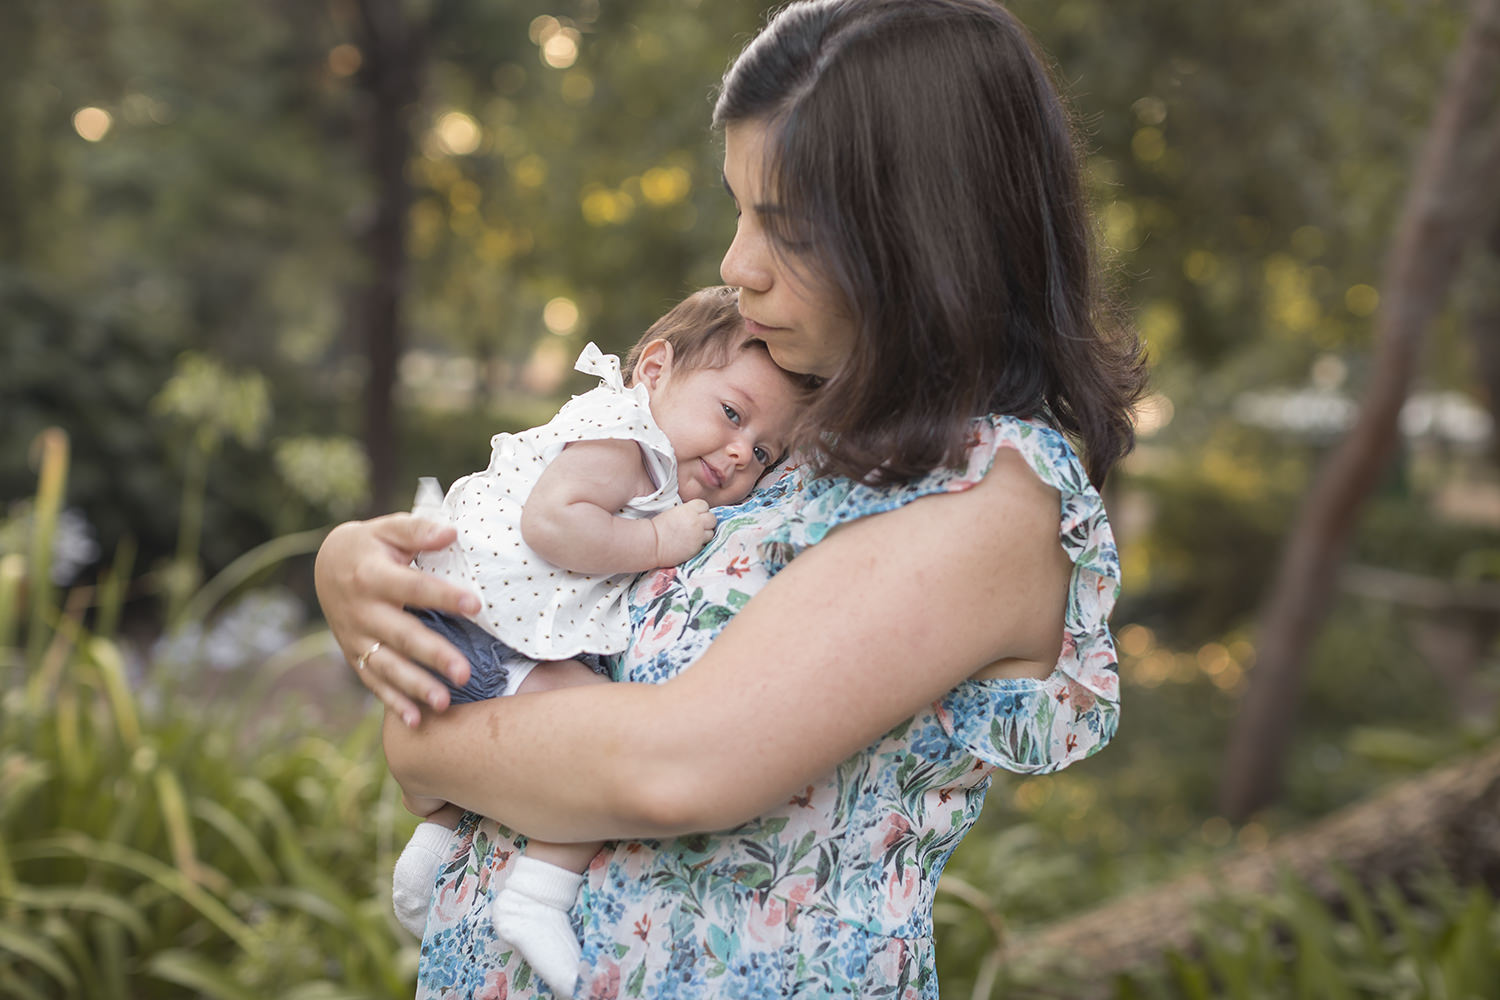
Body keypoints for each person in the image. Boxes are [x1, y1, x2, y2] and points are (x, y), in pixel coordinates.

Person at [314, 0, 1146, 996]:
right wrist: (352, 571)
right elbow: (541, 567)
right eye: (740, 209)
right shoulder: (788, 433)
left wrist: (427, 743)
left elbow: (673, 766)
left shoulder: (995, 501)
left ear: (922, 240)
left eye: (786, 231)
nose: (736, 265)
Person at [387, 286, 812, 995]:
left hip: (487, 630)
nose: (742, 451)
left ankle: (431, 849)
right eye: (732, 413)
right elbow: (553, 524)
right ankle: (537, 896)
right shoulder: (627, 439)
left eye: (765, 452)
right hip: (479, 626)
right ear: (653, 372)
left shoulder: (652, 452)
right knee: (601, 737)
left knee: (557, 733)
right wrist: (656, 538)